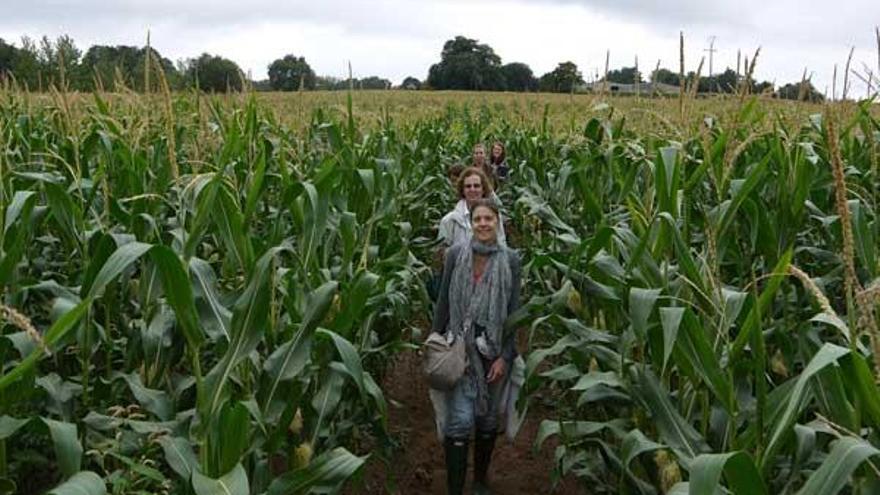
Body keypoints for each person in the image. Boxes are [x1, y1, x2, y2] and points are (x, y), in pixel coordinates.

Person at [431, 198, 523, 495]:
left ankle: (480, 481)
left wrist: (505, 357)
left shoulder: (510, 260)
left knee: (487, 418)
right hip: (460, 347)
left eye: (489, 219)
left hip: (494, 351)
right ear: (471, 223)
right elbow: (444, 302)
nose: (483, 224)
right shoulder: (456, 254)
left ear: (498, 223)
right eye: (478, 219)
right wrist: (435, 340)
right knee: (458, 420)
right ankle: (455, 490)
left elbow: (513, 314)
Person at [438, 167, 506, 248]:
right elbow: (442, 255)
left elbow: (502, 248)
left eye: (476, 186)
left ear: (483, 189)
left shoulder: (495, 217)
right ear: (462, 190)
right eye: (468, 186)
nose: (472, 189)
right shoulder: (449, 221)